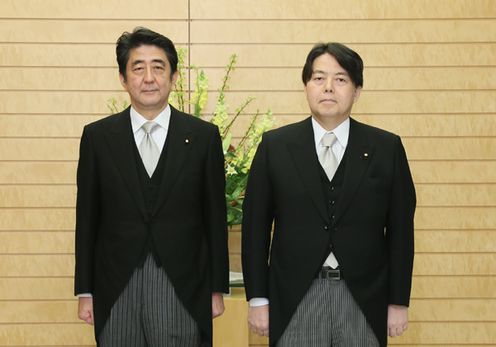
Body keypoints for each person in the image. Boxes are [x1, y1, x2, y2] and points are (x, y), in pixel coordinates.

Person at [242, 42, 416, 346]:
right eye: (318, 78)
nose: (328, 88)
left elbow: (401, 230)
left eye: (341, 79)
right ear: (306, 85)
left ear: (357, 90)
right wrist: (258, 298)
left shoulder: (386, 148)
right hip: (294, 297)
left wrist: (398, 301)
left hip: (364, 298)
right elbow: (255, 228)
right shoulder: (275, 146)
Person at [74, 27, 229, 346]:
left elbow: (215, 217)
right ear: (122, 77)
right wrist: (85, 291)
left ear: (173, 78)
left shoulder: (203, 137)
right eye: (138, 67)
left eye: (158, 67)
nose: (148, 77)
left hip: (183, 285)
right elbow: (87, 219)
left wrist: (216, 289)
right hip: (116, 285)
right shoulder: (98, 137)